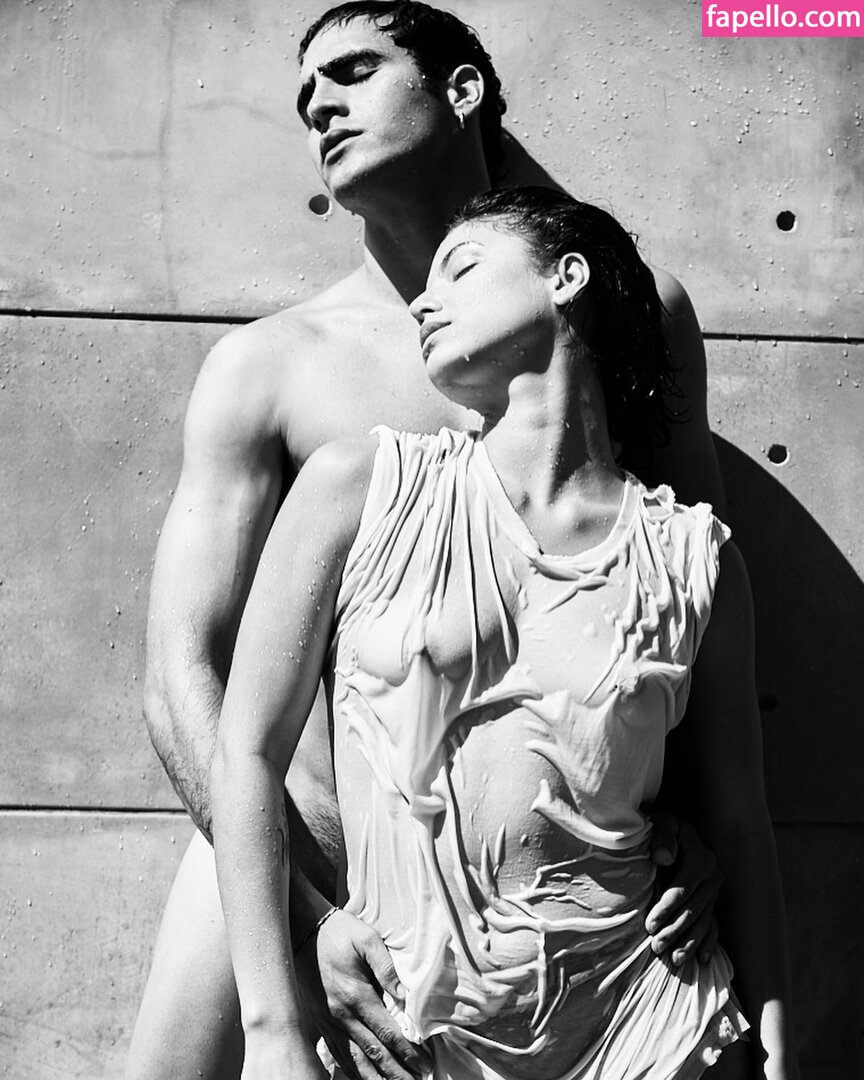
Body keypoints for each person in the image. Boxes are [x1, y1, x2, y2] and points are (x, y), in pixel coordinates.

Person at [129, 4, 727, 1079]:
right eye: (305, 95)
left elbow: (685, 604)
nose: (320, 106)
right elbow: (182, 672)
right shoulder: (274, 366)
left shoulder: (627, 310)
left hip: (560, 901)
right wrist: (307, 915)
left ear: (461, 92)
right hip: (292, 846)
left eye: (354, 71)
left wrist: (691, 833)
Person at [211, 186, 798, 1080]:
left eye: (462, 267)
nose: (422, 302)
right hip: (411, 1044)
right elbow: (247, 752)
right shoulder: (358, 489)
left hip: (657, 1032)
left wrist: (779, 1050)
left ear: (567, 278)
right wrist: (272, 1027)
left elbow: (741, 826)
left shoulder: (696, 559)